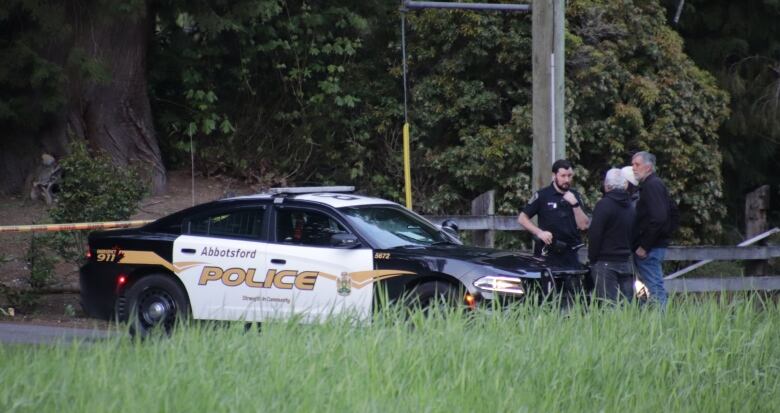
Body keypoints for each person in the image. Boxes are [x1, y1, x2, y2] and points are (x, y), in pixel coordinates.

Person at [518, 159, 590, 265]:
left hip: (570, 253)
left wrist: (575, 204)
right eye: (563, 176)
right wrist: (539, 232)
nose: (567, 180)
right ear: (554, 175)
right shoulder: (542, 195)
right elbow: (522, 218)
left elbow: (584, 226)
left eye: (569, 176)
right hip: (548, 252)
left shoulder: (576, 196)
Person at [631, 151, 672, 306]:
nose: (633, 168)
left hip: (650, 248)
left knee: (654, 286)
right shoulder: (652, 185)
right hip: (653, 245)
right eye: (633, 164)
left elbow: (659, 217)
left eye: (637, 164)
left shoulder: (652, 185)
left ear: (648, 167)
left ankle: (661, 323)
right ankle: (647, 322)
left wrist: (645, 245)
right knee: (643, 287)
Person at [588, 168, 635, 303]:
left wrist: (593, 259)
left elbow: (595, 234)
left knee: (608, 303)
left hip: (605, 261)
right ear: (625, 185)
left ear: (607, 185)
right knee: (627, 304)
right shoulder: (631, 206)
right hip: (626, 261)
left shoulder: (604, 205)